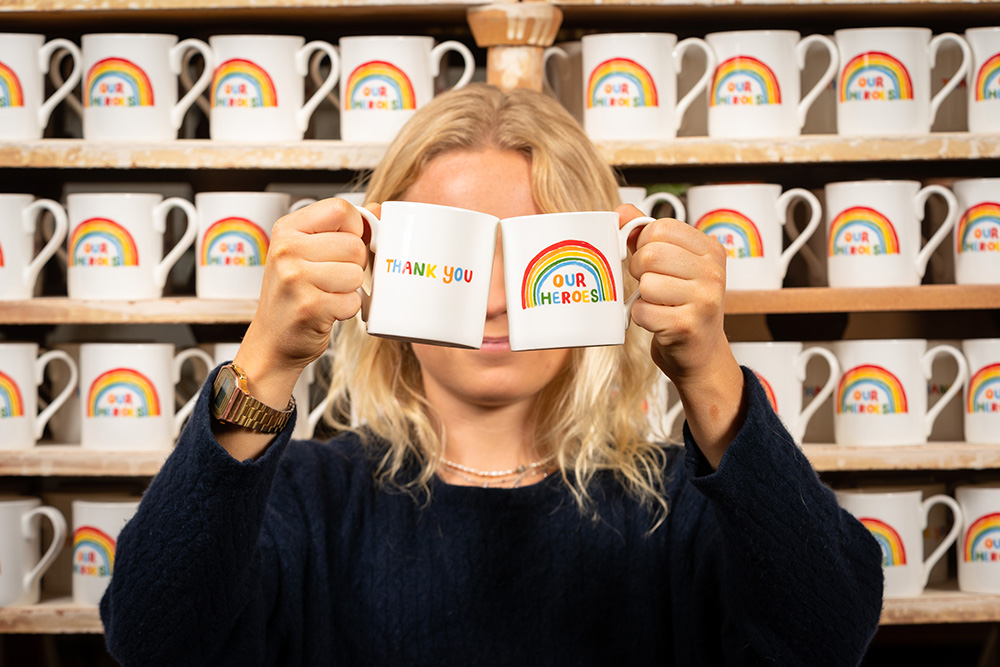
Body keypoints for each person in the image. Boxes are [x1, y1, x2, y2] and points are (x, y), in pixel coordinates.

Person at [101, 83, 883, 666]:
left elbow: (829, 636)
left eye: (536, 252)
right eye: (456, 256)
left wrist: (710, 374)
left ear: (605, 263)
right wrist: (264, 365)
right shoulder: (303, 497)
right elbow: (153, 642)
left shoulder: (681, 503)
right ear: (379, 264)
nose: (499, 299)